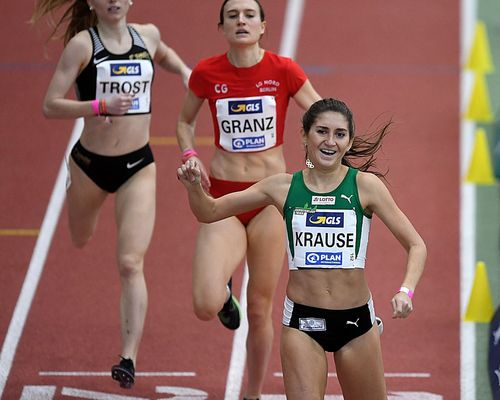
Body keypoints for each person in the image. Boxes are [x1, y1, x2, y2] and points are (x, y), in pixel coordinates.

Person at [177, 98, 427, 400]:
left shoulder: (366, 187)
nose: (330, 141)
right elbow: (210, 211)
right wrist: (194, 188)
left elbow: (416, 244)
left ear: (348, 142)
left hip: (356, 324)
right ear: (304, 136)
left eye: (340, 134)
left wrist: (406, 291)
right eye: (322, 131)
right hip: (302, 324)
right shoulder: (282, 187)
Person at [31, 0, 191, 389]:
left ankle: (128, 357)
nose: (114, 0)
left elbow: (165, 54)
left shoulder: (147, 35)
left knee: (130, 263)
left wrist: (186, 71)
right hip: (90, 165)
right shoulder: (83, 46)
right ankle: (78, 197)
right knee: (80, 237)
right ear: (92, 3)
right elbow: (50, 105)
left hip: (139, 164)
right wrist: (97, 105)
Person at [175, 0, 321, 398]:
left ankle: (252, 394)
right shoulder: (207, 72)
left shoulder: (284, 70)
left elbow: (322, 114)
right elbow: (184, 122)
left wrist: (322, 157)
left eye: (249, 15)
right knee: (204, 302)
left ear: (262, 26)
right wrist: (189, 154)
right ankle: (223, 297)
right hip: (224, 197)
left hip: (271, 201)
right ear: (221, 27)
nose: (241, 20)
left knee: (260, 309)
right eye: (233, 15)